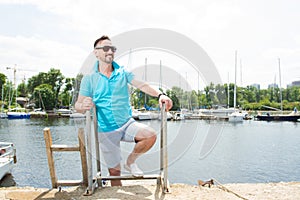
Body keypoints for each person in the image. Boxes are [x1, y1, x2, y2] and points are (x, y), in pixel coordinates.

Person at [75, 35, 173, 186]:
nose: (110, 51)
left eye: (112, 49)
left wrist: (160, 94)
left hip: (127, 124)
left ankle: (131, 162)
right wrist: (84, 106)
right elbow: (78, 106)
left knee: (150, 136)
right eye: (106, 48)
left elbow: (143, 85)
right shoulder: (89, 79)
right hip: (106, 130)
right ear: (96, 52)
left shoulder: (123, 72)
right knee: (115, 173)